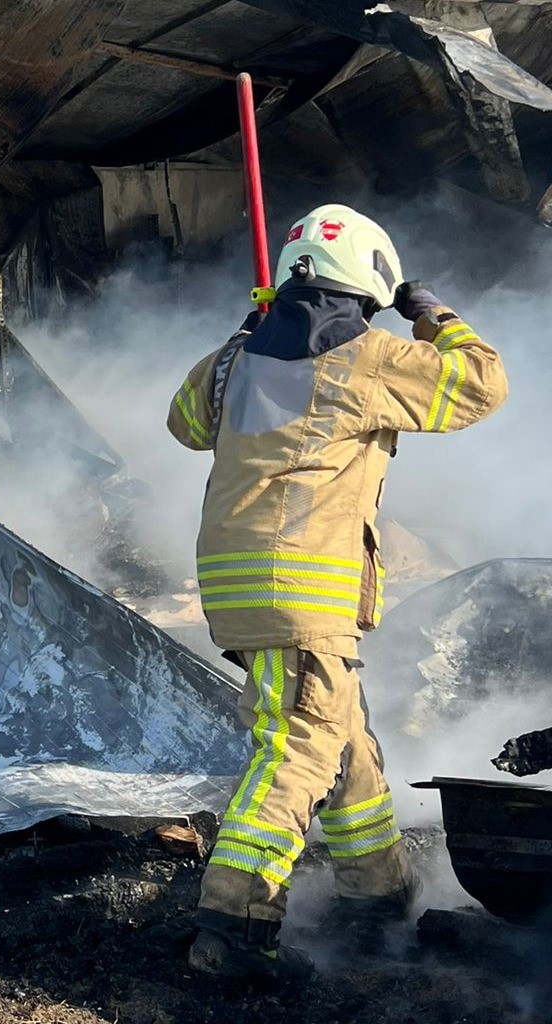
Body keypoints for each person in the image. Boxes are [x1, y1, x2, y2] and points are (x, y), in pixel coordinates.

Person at [166, 205, 508, 980]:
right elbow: (483, 383)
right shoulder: (373, 355)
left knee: (340, 736)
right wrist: (433, 314)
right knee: (297, 749)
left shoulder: (234, 360)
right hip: (304, 590)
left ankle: (375, 892)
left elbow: (185, 423)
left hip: (235, 584)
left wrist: (241, 336)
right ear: (371, 280)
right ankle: (233, 923)